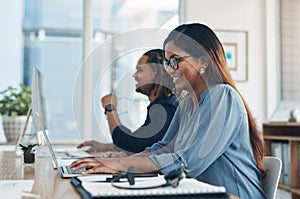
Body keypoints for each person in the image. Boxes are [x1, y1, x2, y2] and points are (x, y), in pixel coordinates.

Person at [71, 23, 266, 199]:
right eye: (167, 62)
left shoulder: (223, 97)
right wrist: (121, 161)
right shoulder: (187, 104)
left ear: (203, 61)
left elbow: (187, 163)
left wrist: (120, 165)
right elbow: (162, 149)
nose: (170, 69)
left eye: (176, 61)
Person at [77, 49, 178, 154]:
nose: (134, 75)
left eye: (140, 70)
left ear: (157, 73)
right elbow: (143, 143)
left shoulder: (165, 109)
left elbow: (130, 145)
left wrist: (110, 109)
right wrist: (105, 147)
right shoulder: (164, 105)